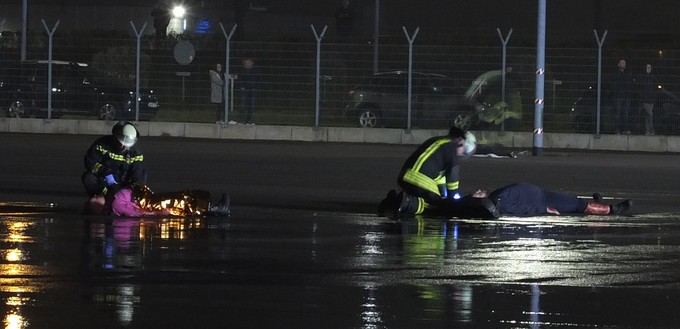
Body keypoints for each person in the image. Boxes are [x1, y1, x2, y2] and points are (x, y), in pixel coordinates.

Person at [379, 127, 477, 217]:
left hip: (405, 176)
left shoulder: (438, 142)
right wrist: (453, 200)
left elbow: (439, 178)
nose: (461, 153)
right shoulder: (451, 149)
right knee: (436, 205)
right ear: (460, 140)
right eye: (464, 150)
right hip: (419, 180)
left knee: (433, 198)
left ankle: (393, 201)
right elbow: (452, 180)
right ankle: (408, 203)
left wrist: (444, 195)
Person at [471, 183, 632, 216]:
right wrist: (543, 209)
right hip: (542, 201)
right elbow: (521, 208)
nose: (477, 191)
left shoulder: (498, 194)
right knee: (577, 204)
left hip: (541, 194)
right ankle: (612, 209)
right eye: (477, 193)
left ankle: (600, 205)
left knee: (573, 201)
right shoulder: (499, 201)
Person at [84, 184, 231, 217]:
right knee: (180, 202)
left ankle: (214, 207)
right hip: (150, 204)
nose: (94, 196)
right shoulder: (116, 204)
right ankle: (215, 208)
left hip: (149, 199)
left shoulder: (112, 196)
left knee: (181, 197)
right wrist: (157, 213)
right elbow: (136, 212)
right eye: (94, 199)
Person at [82, 121, 146, 197]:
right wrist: (105, 172)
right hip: (104, 179)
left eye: (126, 144)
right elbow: (90, 162)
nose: (123, 147)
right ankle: (100, 198)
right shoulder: (102, 144)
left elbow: (138, 175)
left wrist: (133, 192)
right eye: (120, 143)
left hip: (124, 182)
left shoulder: (135, 153)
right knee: (89, 178)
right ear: (115, 137)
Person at [611, 59, 633, 134]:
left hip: (626, 96)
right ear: (618, 64)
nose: (624, 64)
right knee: (618, 112)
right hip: (618, 96)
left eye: (624, 63)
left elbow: (629, 85)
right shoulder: (615, 74)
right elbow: (614, 85)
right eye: (622, 63)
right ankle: (617, 129)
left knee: (625, 113)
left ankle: (625, 129)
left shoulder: (627, 74)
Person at [237, 58, 260, 125]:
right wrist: (242, 87)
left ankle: (249, 120)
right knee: (243, 105)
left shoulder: (256, 71)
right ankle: (242, 120)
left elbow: (258, 80)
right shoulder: (242, 71)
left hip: (253, 91)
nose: (246, 64)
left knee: (251, 106)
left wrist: (255, 88)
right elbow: (240, 80)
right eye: (245, 63)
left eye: (248, 63)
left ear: (251, 63)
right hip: (244, 91)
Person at [638, 63, 658, 135]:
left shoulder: (653, 77)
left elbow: (656, 87)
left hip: (651, 99)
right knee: (650, 114)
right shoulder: (642, 77)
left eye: (650, 67)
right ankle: (651, 129)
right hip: (645, 99)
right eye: (647, 67)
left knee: (647, 115)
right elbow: (639, 87)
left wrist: (654, 95)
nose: (649, 69)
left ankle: (647, 130)